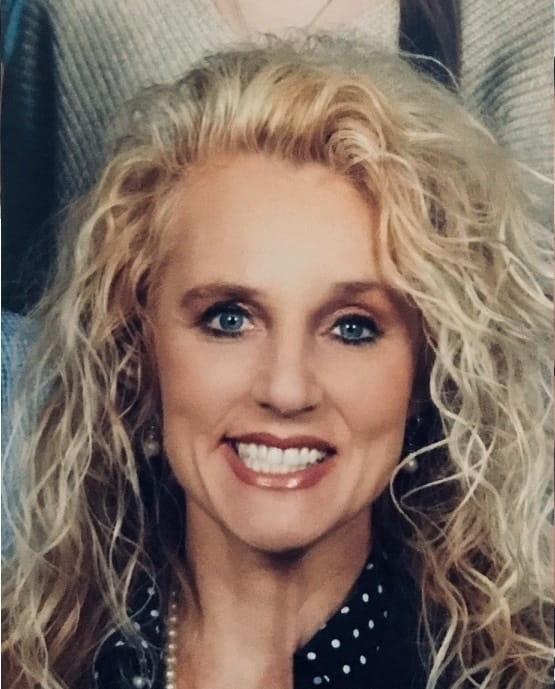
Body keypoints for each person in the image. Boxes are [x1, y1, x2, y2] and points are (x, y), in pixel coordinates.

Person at [2, 38, 552, 689]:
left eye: (352, 327)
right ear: (138, 351)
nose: (287, 388)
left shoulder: (513, 673)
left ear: (427, 370)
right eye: (229, 318)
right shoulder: (27, 659)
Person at [2, 0, 552, 312]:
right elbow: (31, 294)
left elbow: (531, 329)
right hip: (117, 452)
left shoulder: (505, 16)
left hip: (427, 460)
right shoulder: (83, 13)